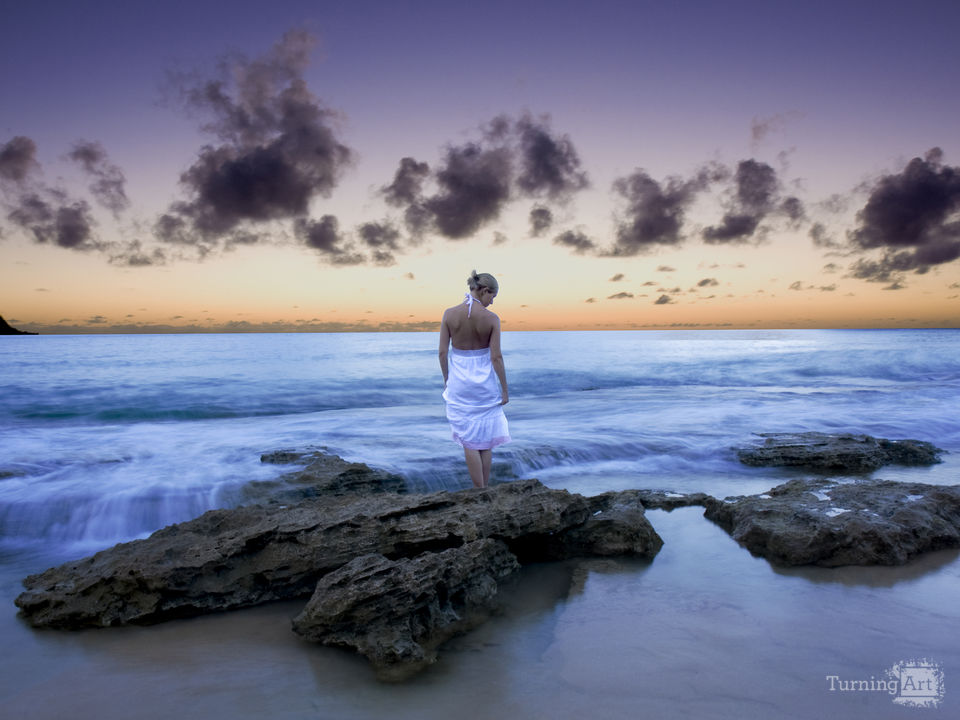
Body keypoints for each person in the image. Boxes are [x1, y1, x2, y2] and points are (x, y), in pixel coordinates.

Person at [439, 270, 510, 488]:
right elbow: (496, 357)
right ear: (485, 290)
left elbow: (442, 353)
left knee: (468, 440)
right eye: (492, 297)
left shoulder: (450, 314)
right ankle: (485, 489)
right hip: (484, 386)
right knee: (485, 441)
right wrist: (504, 390)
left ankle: (478, 492)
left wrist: (447, 380)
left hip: (459, 384)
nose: (492, 303)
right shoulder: (491, 319)